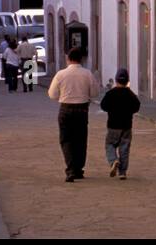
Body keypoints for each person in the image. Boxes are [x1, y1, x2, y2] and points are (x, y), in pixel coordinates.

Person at [48, 47, 102, 182]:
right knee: (80, 140)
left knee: (66, 140)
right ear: (81, 59)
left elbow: (52, 94)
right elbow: (95, 93)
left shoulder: (61, 74)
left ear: (68, 59)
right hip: (82, 109)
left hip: (66, 108)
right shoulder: (87, 74)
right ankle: (78, 169)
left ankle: (70, 168)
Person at [99, 68, 141, 179]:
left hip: (113, 125)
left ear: (116, 80)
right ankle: (122, 172)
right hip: (127, 126)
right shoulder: (131, 94)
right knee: (124, 148)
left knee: (109, 145)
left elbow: (103, 106)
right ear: (127, 81)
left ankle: (113, 161)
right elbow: (136, 107)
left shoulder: (111, 94)